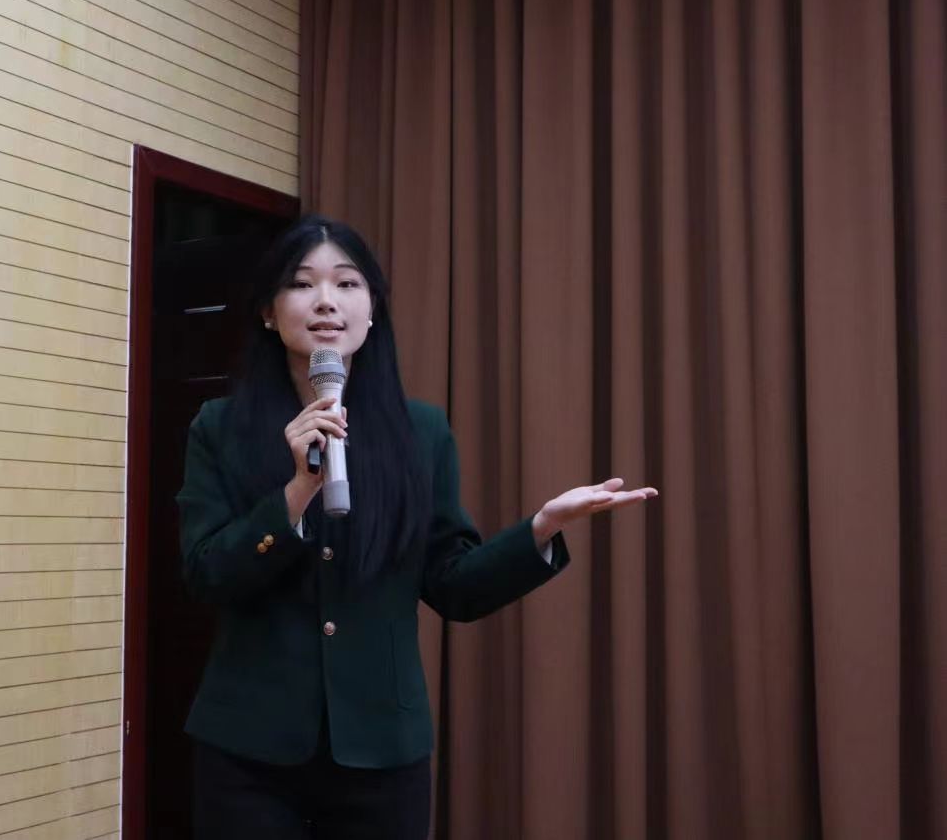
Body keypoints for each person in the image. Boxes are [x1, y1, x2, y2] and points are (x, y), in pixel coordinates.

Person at [176, 215, 657, 839]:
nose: (326, 301)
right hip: (248, 751)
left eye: (347, 283)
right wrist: (297, 492)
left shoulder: (420, 431)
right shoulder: (218, 428)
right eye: (301, 283)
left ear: (372, 310)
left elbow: (453, 586)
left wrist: (540, 528)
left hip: (382, 750)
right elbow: (205, 575)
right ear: (269, 312)